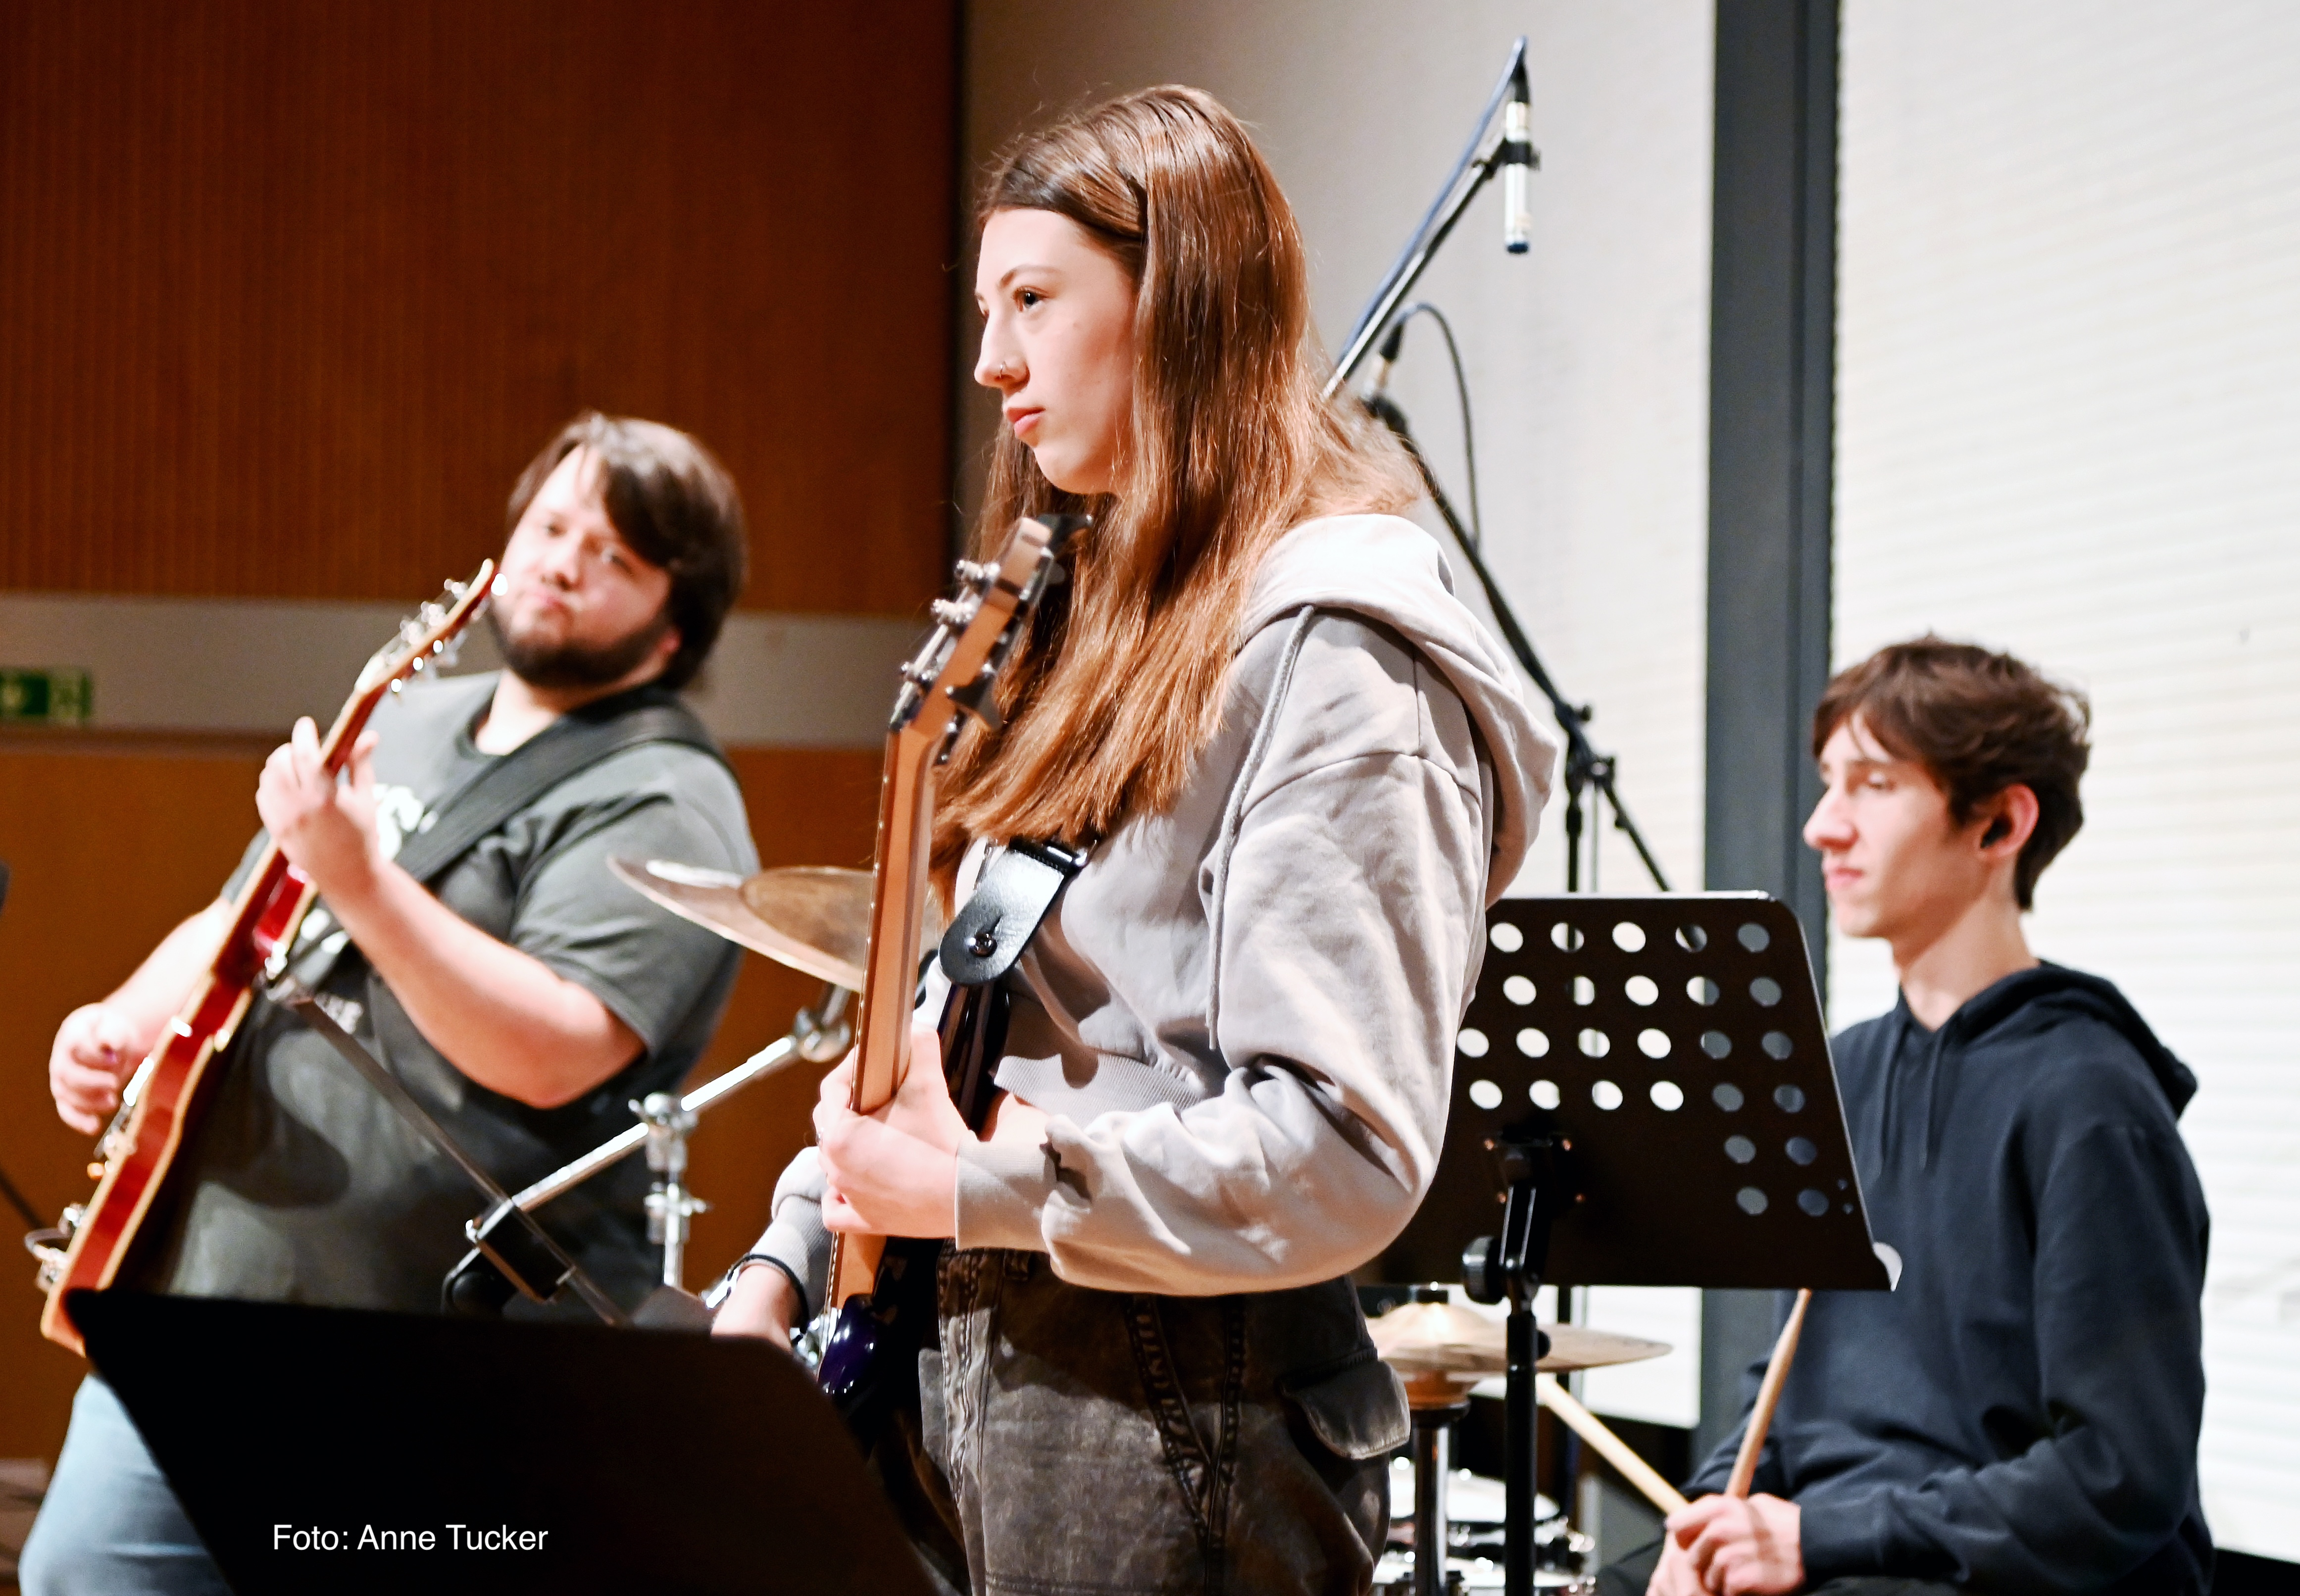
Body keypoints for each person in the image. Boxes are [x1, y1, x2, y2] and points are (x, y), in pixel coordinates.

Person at [712, 87, 1557, 1595]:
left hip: (1182, 1404)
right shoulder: (1089, 618)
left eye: (1032, 300)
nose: (991, 363)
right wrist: (784, 1254)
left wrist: (988, 1193)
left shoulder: (1337, 652)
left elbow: (1343, 1147)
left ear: (1177, 302)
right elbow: (948, 1019)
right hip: (977, 1366)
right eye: (989, 307)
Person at [23, 412, 759, 1596]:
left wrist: (360, 876)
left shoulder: (666, 797)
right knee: (82, 1575)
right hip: (209, 1290)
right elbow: (246, 918)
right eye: (553, 524)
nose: (564, 559)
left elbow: (556, 1049)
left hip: (420, 1351)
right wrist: (119, 1024)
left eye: (616, 555)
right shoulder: (411, 716)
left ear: (678, 620)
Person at [1621, 639, 2211, 1596]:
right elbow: (1784, 1397)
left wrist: (1824, 1538)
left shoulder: (2092, 1102)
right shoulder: (1837, 1074)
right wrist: (1707, 1524)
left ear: (1998, 824)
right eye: (1826, 783)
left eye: (1875, 785)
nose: (1822, 826)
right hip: (1847, 1556)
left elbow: (2119, 1477)